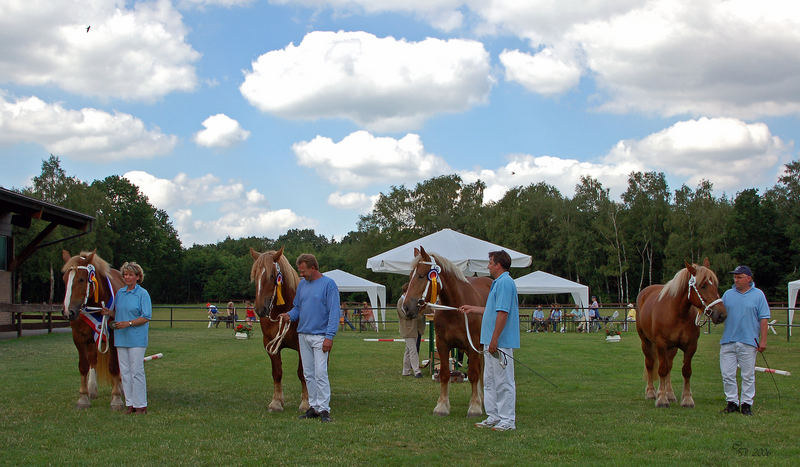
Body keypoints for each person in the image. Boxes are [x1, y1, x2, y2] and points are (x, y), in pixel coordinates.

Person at [459, 250, 520, 432]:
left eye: (490, 263)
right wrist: (472, 309)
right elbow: (492, 309)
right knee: (490, 380)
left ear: (498, 265)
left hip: (500, 342)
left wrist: (494, 339)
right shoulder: (497, 284)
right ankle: (493, 416)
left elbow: (503, 313)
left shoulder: (505, 283)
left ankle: (508, 419)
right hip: (490, 341)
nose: (488, 266)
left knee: (504, 381)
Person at [279, 254, 339, 423]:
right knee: (308, 374)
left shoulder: (329, 285)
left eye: (304, 271)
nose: (302, 274)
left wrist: (329, 336)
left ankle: (324, 409)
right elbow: (298, 308)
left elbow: (334, 312)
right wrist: (288, 315)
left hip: (320, 336)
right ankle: (313, 407)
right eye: (300, 271)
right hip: (303, 335)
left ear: (313, 268)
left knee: (321, 373)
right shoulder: (302, 285)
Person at [720, 265, 770, 416]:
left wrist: (763, 341)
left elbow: (764, 319)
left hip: (748, 341)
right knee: (727, 374)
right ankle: (732, 402)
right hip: (728, 340)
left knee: (747, 375)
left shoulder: (758, 295)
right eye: (735, 277)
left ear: (749, 278)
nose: (736, 280)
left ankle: (746, 403)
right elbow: (719, 313)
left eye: (739, 277)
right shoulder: (728, 294)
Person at [104, 261, 152, 415]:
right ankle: (130, 403)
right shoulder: (120, 294)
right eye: (125, 274)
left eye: (131, 274)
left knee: (136, 371)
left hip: (136, 339)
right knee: (124, 372)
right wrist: (108, 313)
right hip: (121, 338)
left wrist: (129, 323)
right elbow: (117, 314)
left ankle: (141, 405)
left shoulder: (142, 294)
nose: (127, 277)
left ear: (138, 277)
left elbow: (145, 317)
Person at [398, 296, 425, 377]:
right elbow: (404, 315)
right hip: (407, 329)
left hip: (414, 329)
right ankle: (417, 371)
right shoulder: (401, 301)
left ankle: (406, 371)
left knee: (408, 351)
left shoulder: (413, 300)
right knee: (413, 350)